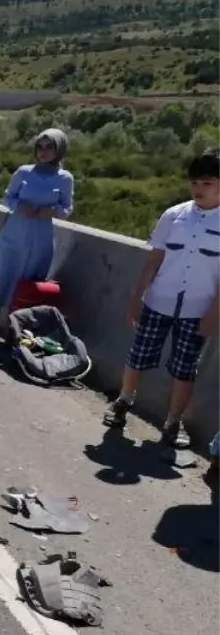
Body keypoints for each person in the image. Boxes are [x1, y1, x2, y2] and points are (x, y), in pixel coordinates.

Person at [102, 147, 220, 449]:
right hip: (159, 300)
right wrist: (136, 295)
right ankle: (123, 402)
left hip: (197, 309)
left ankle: (172, 423)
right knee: (139, 354)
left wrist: (213, 315)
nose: (198, 189)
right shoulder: (174, 216)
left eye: (207, 183)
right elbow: (154, 259)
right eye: (194, 182)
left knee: (184, 367)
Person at [0, 129, 75, 345]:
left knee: (27, 283)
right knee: (1, 277)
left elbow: (67, 208)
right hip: (14, 232)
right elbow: (8, 198)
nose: (43, 152)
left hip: (40, 236)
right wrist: (20, 206)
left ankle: (15, 333)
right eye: (40, 147)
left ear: (59, 150)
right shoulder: (24, 172)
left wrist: (51, 212)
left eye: (49, 147)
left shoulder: (64, 178)